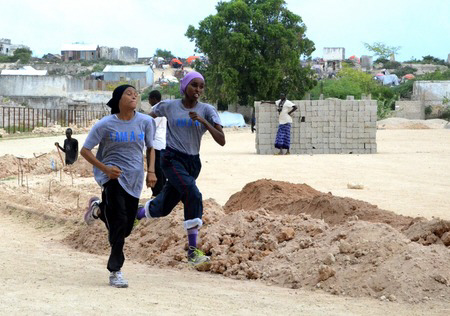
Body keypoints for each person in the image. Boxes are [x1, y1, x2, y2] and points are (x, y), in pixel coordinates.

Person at [136, 71, 225, 269]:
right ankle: (193, 252)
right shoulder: (168, 106)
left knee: (164, 207)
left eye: (201, 86)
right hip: (171, 159)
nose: (198, 90)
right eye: (194, 85)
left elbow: (222, 140)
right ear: (184, 86)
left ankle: (136, 215)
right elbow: (146, 119)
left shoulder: (207, 110)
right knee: (192, 193)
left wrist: (204, 122)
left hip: (193, 162)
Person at [81, 84, 156, 288]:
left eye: (135, 94)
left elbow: (151, 147)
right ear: (118, 99)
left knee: (126, 226)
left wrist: (151, 171)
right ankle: (115, 270)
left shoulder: (145, 122)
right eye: (128, 93)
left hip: (135, 179)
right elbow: (85, 151)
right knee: (120, 221)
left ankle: (98, 209)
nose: (134, 96)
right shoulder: (105, 124)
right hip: (112, 179)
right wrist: (105, 169)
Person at [148, 89, 167, 197]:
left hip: (156, 144)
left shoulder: (155, 110)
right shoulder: (164, 109)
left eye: (150, 99)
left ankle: (157, 193)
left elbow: (150, 126)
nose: (149, 101)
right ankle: (162, 191)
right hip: (163, 143)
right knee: (162, 169)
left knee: (156, 169)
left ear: (154, 99)